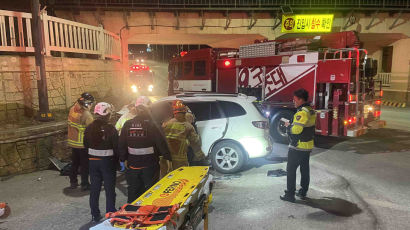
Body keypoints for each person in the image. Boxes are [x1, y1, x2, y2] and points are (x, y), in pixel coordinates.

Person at [119, 98, 171, 203]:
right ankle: (148, 211)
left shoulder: (128, 124)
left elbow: (122, 143)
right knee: (151, 190)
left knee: (134, 189)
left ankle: (132, 211)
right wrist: (167, 157)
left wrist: (123, 158)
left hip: (133, 165)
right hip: (150, 164)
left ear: (137, 109)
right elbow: (161, 142)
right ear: (149, 109)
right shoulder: (153, 124)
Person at [83, 102, 118, 222]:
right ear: (107, 114)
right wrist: (118, 163)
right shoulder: (111, 129)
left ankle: (95, 214)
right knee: (109, 190)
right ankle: (111, 213)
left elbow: (85, 145)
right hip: (107, 163)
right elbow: (116, 147)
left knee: (95, 189)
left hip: (93, 162)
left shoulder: (89, 128)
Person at [280, 89, 316, 203]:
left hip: (298, 146)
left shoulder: (301, 112)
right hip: (307, 145)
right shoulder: (310, 110)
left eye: (295, 100)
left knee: (290, 170)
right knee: (304, 169)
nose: (293, 101)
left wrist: (288, 127)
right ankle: (303, 191)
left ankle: (290, 194)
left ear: (301, 99)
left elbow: (297, 129)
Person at [161, 100, 204, 177]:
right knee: (181, 178)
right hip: (180, 159)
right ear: (185, 112)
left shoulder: (166, 124)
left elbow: (160, 139)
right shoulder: (188, 126)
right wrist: (200, 156)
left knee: (166, 179)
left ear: (174, 112)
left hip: (167, 158)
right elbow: (195, 142)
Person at [68, 92, 94, 190]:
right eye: (91, 104)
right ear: (87, 104)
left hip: (73, 142)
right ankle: (85, 184)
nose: (92, 106)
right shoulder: (87, 114)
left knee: (74, 163)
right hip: (82, 144)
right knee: (84, 165)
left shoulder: (73, 109)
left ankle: (73, 182)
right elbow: (91, 130)